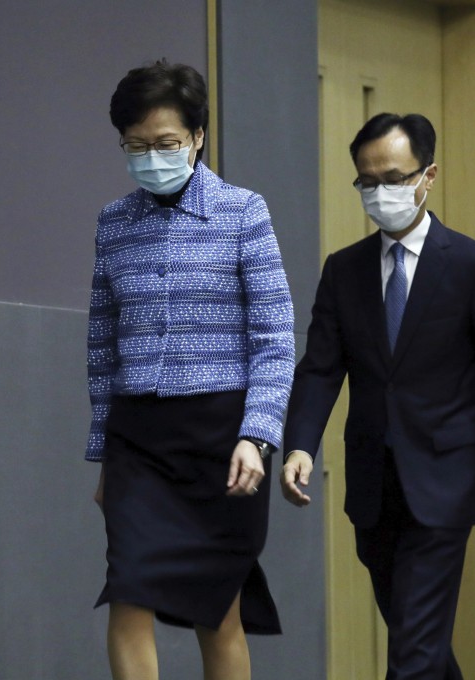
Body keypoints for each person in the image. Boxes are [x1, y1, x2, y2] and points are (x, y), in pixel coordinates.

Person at [280, 112, 475, 679]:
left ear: (428, 175)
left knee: (411, 657)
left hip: (445, 484)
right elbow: (319, 368)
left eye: (394, 178)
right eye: (367, 181)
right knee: (418, 639)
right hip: (374, 489)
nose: (381, 193)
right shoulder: (345, 270)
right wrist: (301, 443)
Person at [84, 60, 295, 680]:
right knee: (128, 593)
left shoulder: (243, 212)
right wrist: (105, 456)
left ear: (198, 137)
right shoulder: (114, 222)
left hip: (221, 441)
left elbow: (276, 337)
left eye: (166, 143)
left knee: (218, 612)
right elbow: (101, 345)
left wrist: (258, 437)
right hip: (138, 441)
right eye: (136, 146)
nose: (152, 156)